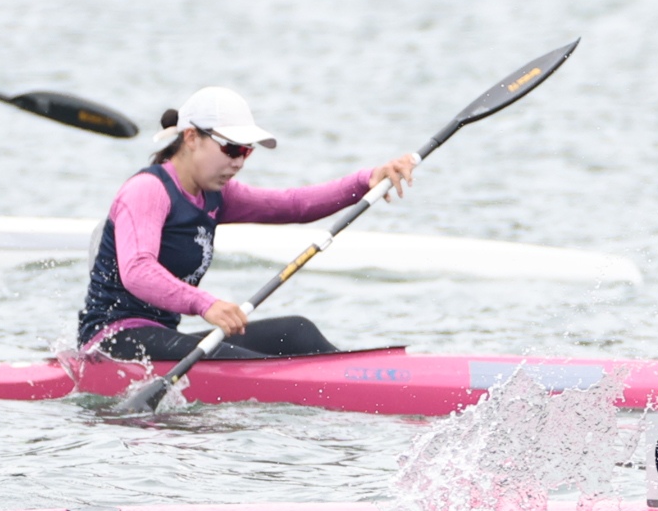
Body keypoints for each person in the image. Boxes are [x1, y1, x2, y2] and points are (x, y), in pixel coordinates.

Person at [77, 86, 416, 362]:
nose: (239, 162)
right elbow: (137, 270)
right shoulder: (148, 190)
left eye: (246, 151)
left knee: (297, 332)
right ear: (191, 137)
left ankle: (365, 379)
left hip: (160, 339)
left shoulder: (216, 195)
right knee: (246, 362)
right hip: (112, 341)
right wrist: (206, 304)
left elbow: (295, 205)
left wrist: (367, 179)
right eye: (231, 148)